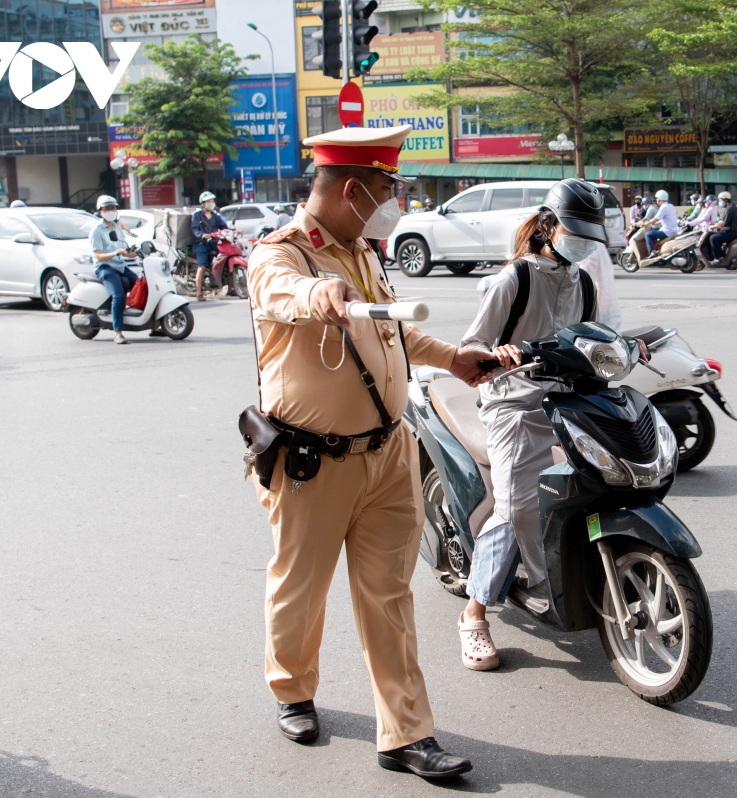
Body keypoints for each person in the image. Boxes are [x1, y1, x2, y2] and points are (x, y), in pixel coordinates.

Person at [247, 123, 486, 779]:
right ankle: (292, 687)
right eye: (388, 188)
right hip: (312, 463)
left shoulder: (365, 249)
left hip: (388, 456)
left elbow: (392, 332)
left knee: (389, 596)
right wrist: (316, 294)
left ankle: (406, 734)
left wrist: (454, 359)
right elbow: (282, 294)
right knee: (300, 588)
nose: (395, 201)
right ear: (354, 189)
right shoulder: (282, 254)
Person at [456, 178, 616, 671]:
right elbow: (470, 347)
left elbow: (593, 339)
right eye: (576, 232)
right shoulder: (515, 280)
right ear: (549, 226)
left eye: (591, 236)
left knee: (603, 486)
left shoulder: (583, 281)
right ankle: (474, 615)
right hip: (513, 406)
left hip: (568, 402)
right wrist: (496, 355)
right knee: (516, 507)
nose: (584, 244)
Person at [90, 195, 138, 345]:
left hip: (119, 265)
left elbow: (124, 250)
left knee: (141, 284)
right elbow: (98, 256)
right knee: (118, 295)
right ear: (100, 211)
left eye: (113, 208)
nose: (111, 211)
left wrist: (138, 251)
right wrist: (114, 253)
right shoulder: (96, 230)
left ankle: (153, 324)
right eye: (107, 209)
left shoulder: (117, 227)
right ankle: (118, 333)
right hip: (105, 267)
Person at [191, 191, 228, 301]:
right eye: (208, 201)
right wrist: (203, 235)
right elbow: (194, 229)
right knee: (202, 266)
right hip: (200, 244)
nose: (211, 203)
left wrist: (235, 231)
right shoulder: (197, 216)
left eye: (212, 201)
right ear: (202, 204)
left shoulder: (216, 216)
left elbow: (224, 227)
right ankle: (198, 293)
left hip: (214, 243)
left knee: (224, 258)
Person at [708, 191, 737, 264]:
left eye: (721, 201)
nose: (720, 202)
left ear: (726, 200)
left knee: (713, 238)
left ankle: (719, 257)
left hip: (732, 232)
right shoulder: (734, 207)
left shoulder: (729, 209)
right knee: (716, 236)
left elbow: (723, 222)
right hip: (735, 232)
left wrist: (713, 226)